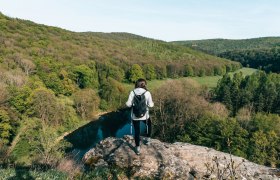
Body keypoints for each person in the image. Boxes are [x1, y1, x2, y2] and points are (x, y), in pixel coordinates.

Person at [126, 78, 154, 155]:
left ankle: (137, 148)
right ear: (144, 84)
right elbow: (151, 105)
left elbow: (128, 104)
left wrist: (132, 104)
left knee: (137, 131)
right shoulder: (147, 93)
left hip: (135, 115)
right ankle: (148, 139)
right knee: (149, 125)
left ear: (136, 84)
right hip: (145, 115)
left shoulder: (132, 92)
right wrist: (148, 104)